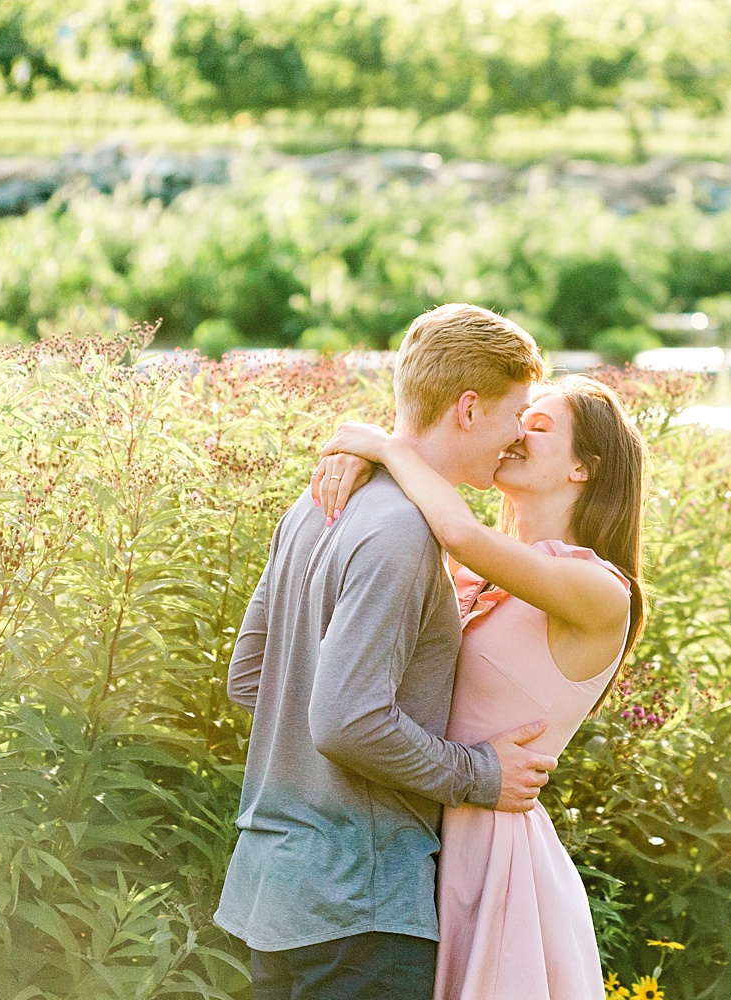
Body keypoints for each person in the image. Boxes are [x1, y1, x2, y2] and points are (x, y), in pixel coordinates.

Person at [214, 304, 560, 1000]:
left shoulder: (314, 506)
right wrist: (478, 774)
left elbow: (251, 676)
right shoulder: (403, 533)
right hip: (358, 911)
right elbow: (346, 720)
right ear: (467, 408)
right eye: (515, 412)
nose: (518, 435)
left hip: (275, 894)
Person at [311, 373, 647, 1000]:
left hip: (490, 851)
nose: (517, 431)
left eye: (539, 426)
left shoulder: (601, 592)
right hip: (412, 824)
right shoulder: (468, 569)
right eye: (519, 417)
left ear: (583, 468)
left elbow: (459, 530)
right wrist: (367, 471)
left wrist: (388, 449)